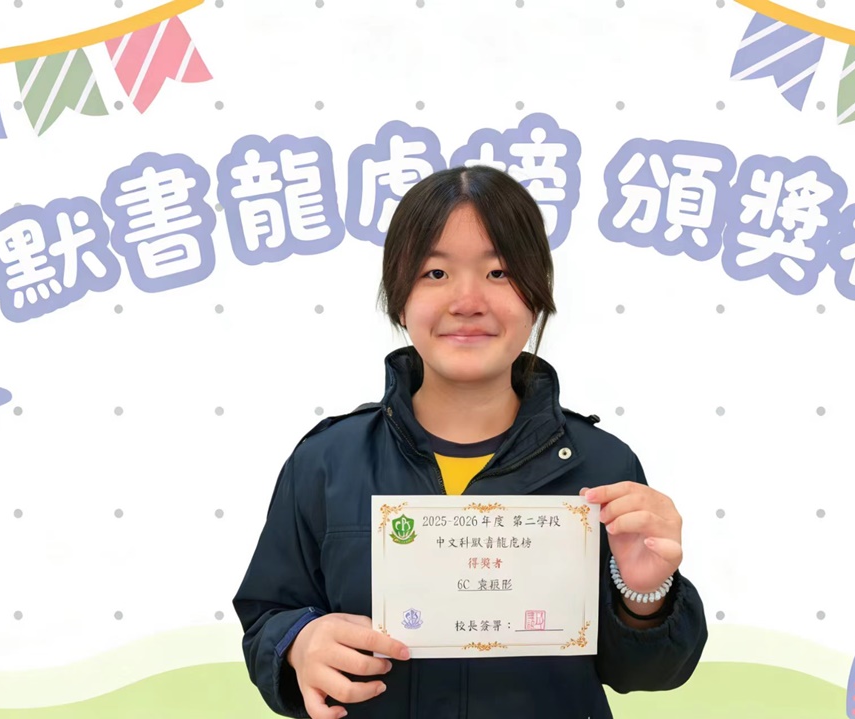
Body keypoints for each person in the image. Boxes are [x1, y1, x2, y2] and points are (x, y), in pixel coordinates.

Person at [233, 165, 707, 718]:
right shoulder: (326, 462)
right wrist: (298, 644)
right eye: (435, 272)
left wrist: (645, 597)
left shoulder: (602, 466)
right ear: (399, 298)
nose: (467, 300)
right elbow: (266, 618)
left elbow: (646, 673)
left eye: (498, 272)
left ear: (536, 296)